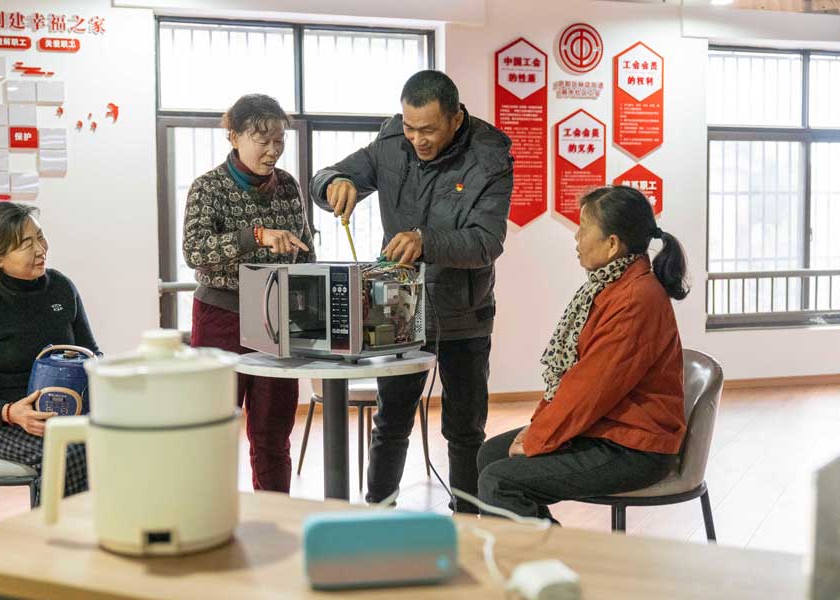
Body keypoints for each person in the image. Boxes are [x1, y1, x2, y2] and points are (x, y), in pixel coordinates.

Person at [310, 70, 513, 512]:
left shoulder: (489, 156)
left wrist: (426, 241)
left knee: (464, 429)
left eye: (428, 130)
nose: (417, 139)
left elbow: (486, 242)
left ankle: (467, 521)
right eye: (410, 127)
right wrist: (333, 183)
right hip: (397, 309)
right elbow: (325, 176)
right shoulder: (390, 142)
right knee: (391, 421)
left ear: (455, 118)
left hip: (464, 313)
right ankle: (378, 514)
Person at [476, 185, 690, 522]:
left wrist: (538, 438)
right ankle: (546, 548)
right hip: (606, 430)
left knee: (500, 482)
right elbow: (575, 378)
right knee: (490, 455)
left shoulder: (634, 299)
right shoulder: (611, 286)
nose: (576, 237)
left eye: (584, 228)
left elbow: (591, 388)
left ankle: (554, 555)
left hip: (634, 448)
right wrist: (539, 429)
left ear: (612, 244)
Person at [183, 93, 315, 493]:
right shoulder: (208, 188)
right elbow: (195, 252)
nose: (273, 151)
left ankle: (276, 515)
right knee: (212, 430)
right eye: (262, 140)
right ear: (234, 136)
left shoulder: (288, 186)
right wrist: (255, 236)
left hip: (276, 319)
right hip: (220, 317)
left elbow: (307, 251)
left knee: (273, 432)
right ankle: (209, 516)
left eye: (279, 141)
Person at [0, 202, 98, 497]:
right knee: (68, 450)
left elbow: (90, 353)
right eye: (27, 244)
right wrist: (10, 412)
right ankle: (57, 527)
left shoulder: (62, 287)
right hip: (4, 423)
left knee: (126, 435)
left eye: (40, 237)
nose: (41, 249)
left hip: (67, 412)